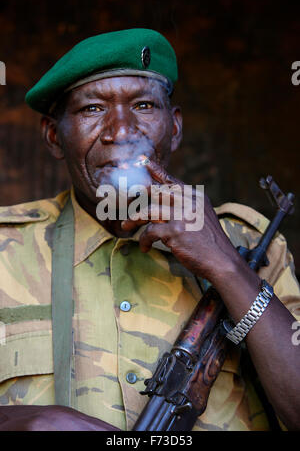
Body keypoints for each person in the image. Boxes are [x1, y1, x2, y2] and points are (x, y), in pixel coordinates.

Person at [0, 28, 299, 431]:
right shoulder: (6, 248)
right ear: (54, 136)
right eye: (92, 109)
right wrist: (25, 421)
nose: (121, 131)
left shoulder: (251, 244)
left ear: (174, 128)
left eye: (142, 105)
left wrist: (227, 266)